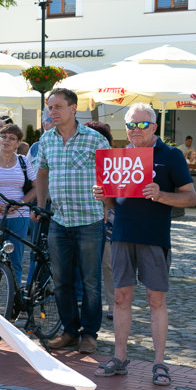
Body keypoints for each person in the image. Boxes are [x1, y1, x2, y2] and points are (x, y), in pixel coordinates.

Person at [92, 103, 196, 386]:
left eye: (141, 124)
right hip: (122, 235)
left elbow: (190, 198)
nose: (135, 130)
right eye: (130, 125)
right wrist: (103, 195)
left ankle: (160, 362)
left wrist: (161, 194)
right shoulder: (120, 156)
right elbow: (114, 204)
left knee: (156, 300)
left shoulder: (171, 155)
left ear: (153, 127)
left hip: (154, 237)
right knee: (120, 299)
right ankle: (119, 357)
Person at [33, 88, 110, 354]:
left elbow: (109, 179)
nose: (52, 112)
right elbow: (41, 173)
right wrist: (42, 206)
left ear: (73, 108)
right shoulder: (46, 140)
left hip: (89, 220)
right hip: (59, 220)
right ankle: (69, 331)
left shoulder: (95, 140)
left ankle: (89, 334)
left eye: (57, 107)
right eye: (49, 107)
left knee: (90, 282)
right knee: (61, 280)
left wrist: (107, 208)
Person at [0, 123, 37, 284]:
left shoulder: (23, 161)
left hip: (18, 216)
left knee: (16, 261)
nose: (6, 140)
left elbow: (35, 188)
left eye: (12, 138)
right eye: (4, 137)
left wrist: (20, 203)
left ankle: (15, 304)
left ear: (18, 143)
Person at [84, 120, 115, 321]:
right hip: (85, 218)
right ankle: (85, 304)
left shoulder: (113, 161)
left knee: (108, 263)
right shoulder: (79, 158)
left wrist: (106, 206)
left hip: (108, 219)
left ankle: (113, 304)